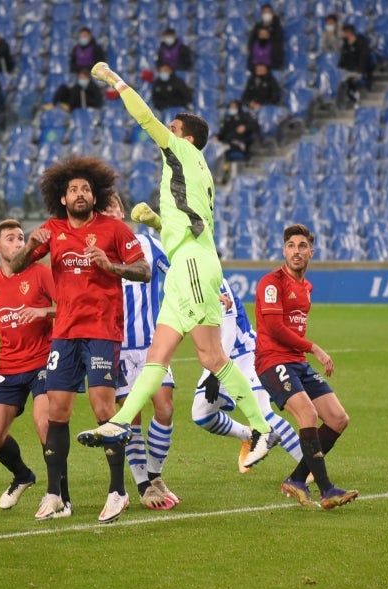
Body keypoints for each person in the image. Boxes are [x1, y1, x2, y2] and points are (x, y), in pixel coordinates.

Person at [76, 62, 277, 472]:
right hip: (189, 258)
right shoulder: (192, 171)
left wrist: (114, 79)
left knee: (211, 356)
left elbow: (145, 117)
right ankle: (118, 423)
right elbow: (189, 223)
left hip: (192, 265)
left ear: (185, 137)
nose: (167, 130)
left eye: (174, 127)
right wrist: (153, 221)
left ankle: (260, 428)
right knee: (158, 354)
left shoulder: (183, 152)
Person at [10, 156, 151, 523]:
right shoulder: (52, 230)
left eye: (86, 189)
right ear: (62, 197)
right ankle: (56, 495)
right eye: (73, 189)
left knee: (105, 411)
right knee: (56, 411)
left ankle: (117, 491)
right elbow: (16, 267)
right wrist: (30, 246)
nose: (80, 194)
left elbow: (144, 271)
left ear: (95, 195)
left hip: (102, 331)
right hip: (65, 334)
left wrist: (110, 266)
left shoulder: (114, 229)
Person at [255, 223, 358, 510]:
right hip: (272, 361)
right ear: (283, 250)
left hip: (297, 363)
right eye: (291, 246)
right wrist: (314, 347)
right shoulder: (271, 283)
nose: (296, 251)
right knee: (308, 414)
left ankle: (297, 479)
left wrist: (305, 352)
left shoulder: (306, 286)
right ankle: (327, 490)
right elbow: (274, 327)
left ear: (311, 252)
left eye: (302, 246)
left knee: (338, 419)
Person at [0, 219, 57, 512]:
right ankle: (22, 475)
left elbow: (66, 306)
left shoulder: (41, 273)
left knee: (44, 423)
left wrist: (43, 312)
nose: (18, 243)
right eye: (11, 239)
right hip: (8, 366)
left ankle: (57, 492)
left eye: (21, 238)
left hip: (44, 360)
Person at [102, 192, 179, 510]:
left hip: (151, 343)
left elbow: (178, 270)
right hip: (117, 347)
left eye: (113, 206)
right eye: (102, 209)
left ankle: (155, 473)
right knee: (130, 417)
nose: (110, 211)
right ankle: (145, 485)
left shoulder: (148, 244)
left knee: (165, 407)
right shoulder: (93, 252)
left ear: (122, 210)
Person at [192, 277, 302, 472]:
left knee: (263, 412)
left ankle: (308, 465)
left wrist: (214, 372)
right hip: (216, 358)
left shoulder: (217, 282)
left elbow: (229, 333)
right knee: (201, 415)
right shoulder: (185, 286)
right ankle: (247, 436)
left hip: (245, 355)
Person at [338, 23, 375, 107]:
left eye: (343, 32)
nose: (341, 34)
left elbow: (364, 60)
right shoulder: (345, 43)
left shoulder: (361, 43)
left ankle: (355, 99)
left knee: (351, 81)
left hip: (360, 70)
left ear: (348, 33)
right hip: (348, 69)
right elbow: (343, 58)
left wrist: (359, 72)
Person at [247, 4, 285, 71]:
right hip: (257, 63)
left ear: (272, 13)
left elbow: (277, 45)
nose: (266, 14)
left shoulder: (277, 28)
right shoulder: (257, 27)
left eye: (268, 12)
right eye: (264, 12)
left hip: (273, 63)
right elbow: (251, 43)